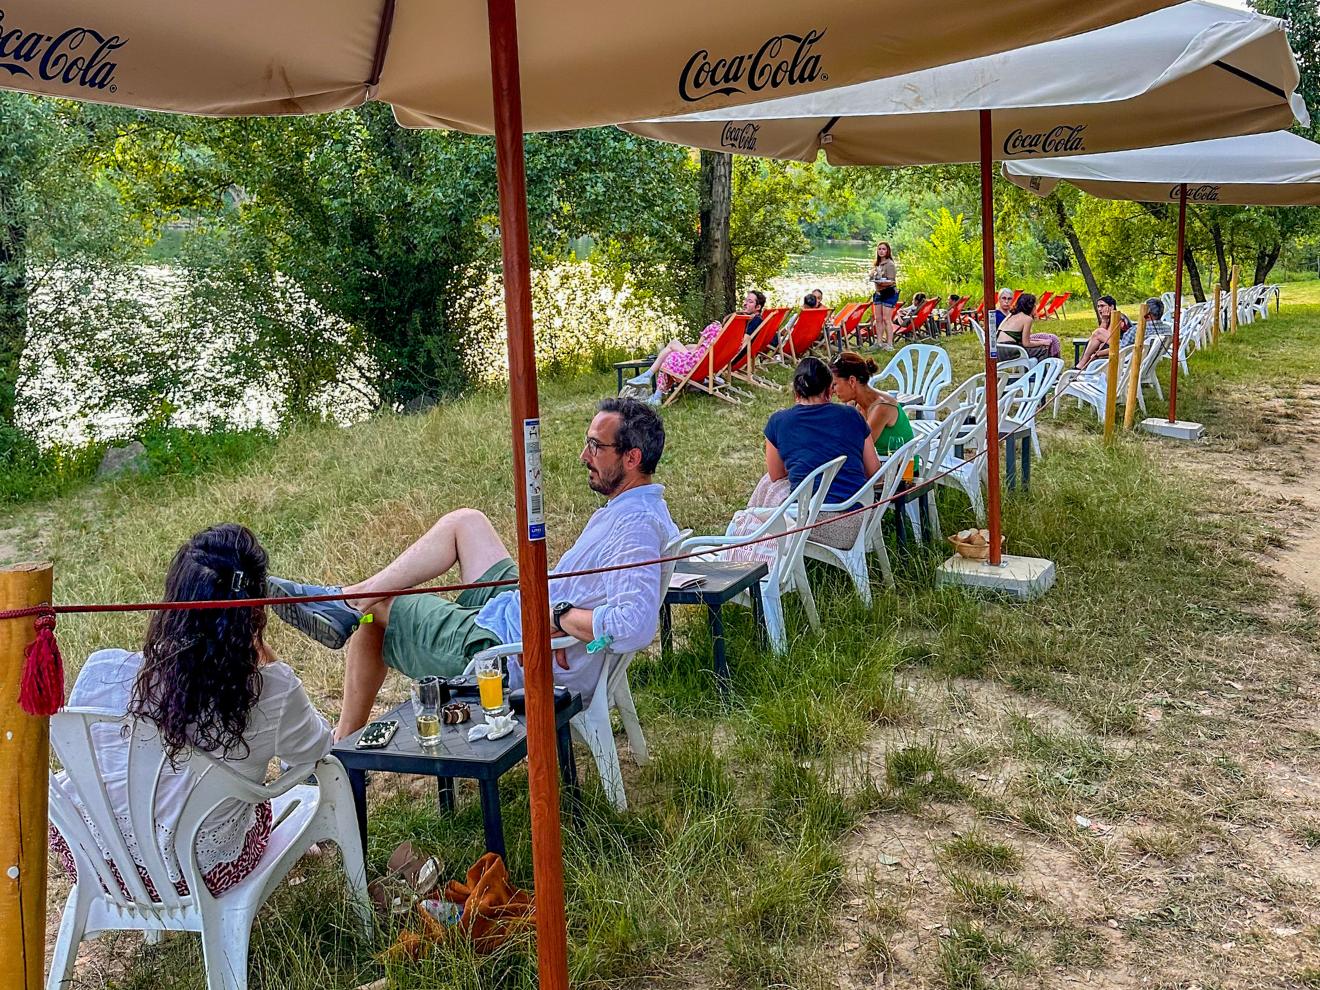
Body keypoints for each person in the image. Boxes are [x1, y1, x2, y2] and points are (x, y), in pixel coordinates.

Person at [270, 398, 679, 739]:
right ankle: (348, 601)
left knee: (378, 610)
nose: (583, 456)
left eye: (595, 446)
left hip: (513, 652)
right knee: (467, 522)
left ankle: (342, 738)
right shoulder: (637, 507)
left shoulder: (635, 528)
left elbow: (634, 625)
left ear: (632, 457)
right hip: (524, 610)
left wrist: (558, 615)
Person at [49, 523, 332, 900]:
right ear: (255, 609)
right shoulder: (272, 691)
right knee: (256, 804)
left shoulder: (103, 671)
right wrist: (262, 653)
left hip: (99, 865)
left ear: (173, 599)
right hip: (199, 873)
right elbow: (313, 752)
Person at [751, 357, 881, 550]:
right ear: (830, 389)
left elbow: (776, 475)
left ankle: (754, 539)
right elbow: (874, 471)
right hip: (862, 520)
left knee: (769, 485)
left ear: (796, 392)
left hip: (815, 524)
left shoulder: (778, 422)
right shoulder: (851, 415)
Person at [829, 351, 916, 468]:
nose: (832, 391)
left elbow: (857, 448)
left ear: (852, 381)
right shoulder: (854, 403)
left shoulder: (881, 408)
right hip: (880, 464)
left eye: (834, 384)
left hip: (902, 474)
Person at [630, 320, 723, 404]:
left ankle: (650, 382)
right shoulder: (723, 336)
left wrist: (694, 350)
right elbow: (705, 347)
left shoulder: (715, 327)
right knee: (671, 350)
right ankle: (652, 389)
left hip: (692, 363)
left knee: (670, 354)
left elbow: (700, 342)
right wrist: (690, 348)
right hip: (701, 365)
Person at [996, 292, 1061, 361]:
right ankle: (1041, 371)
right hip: (1009, 351)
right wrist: (1043, 342)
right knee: (1044, 349)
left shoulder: (1011, 315)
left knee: (1036, 347)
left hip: (999, 350)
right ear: (1031, 306)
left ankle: (1029, 369)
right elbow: (1026, 343)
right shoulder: (1027, 319)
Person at [1077, 295, 1133, 370]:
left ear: (1111, 307)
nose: (1099, 309)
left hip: (1122, 351)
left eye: (1102, 306)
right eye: (1098, 306)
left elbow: (1105, 341)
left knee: (1098, 333)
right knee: (1092, 342)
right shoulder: (1108, 319)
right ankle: (1081, 367)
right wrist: (1104, 321)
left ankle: (1080, 366)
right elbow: (1096, 339)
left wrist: (1097, 353)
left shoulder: (1118, 318)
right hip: (1113, 350)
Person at [869, 242, 899, 349]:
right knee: (878, 319)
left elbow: (891, 281)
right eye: (879, 249)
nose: (881, 251)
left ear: (887, 251)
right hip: (878, 293)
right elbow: (873, 277)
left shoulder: (890, 264)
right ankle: (879, 342)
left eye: (883, 249)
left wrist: (880, 282)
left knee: (887, 319)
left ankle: (889, 343)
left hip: (889, 293)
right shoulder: (876, 264)